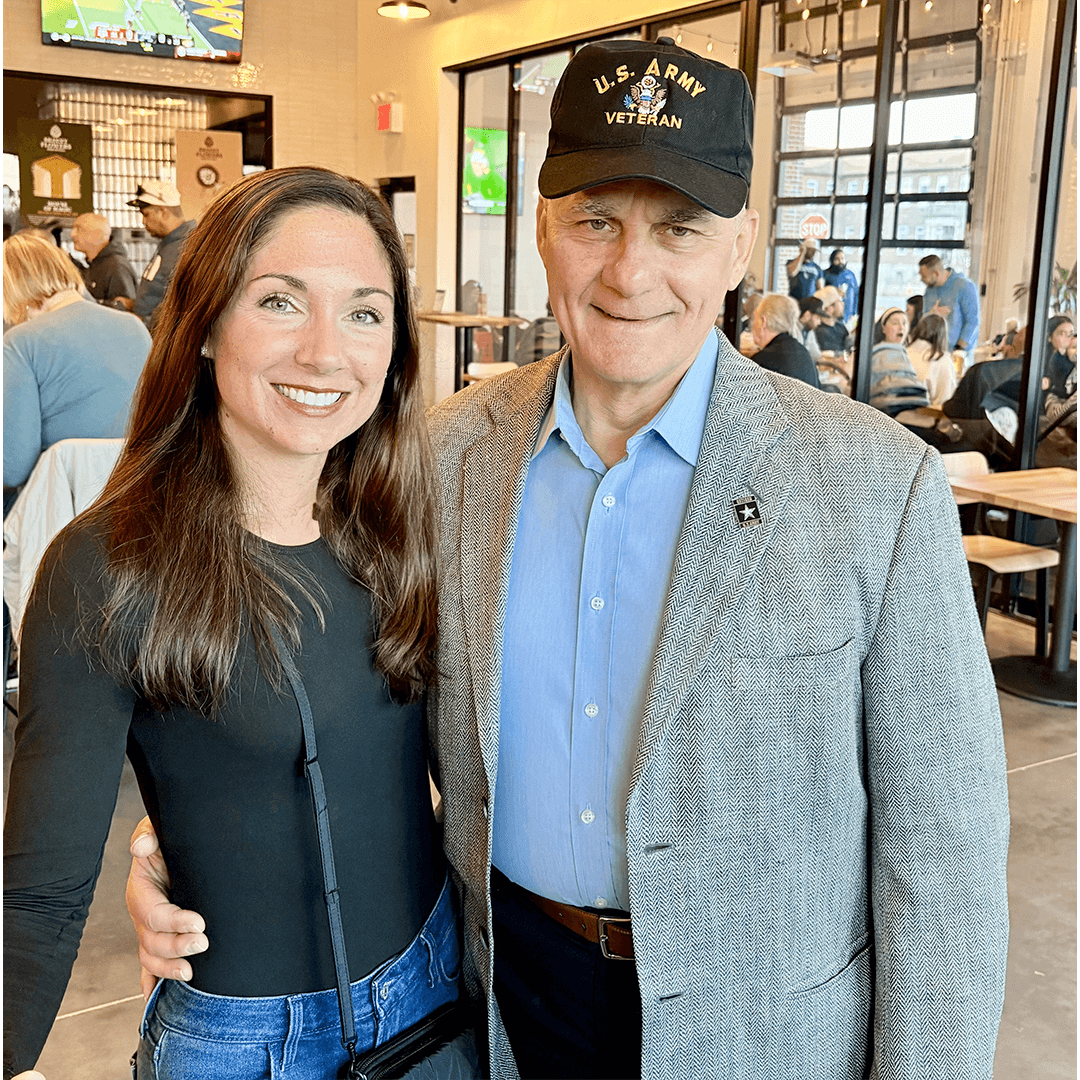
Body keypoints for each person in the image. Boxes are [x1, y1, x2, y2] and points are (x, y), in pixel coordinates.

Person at [128, 39, 1009, 1080]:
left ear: (740, 248)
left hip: (761, 1026)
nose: (631, 273)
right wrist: (186, 844)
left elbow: (943, 865)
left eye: (679, 229)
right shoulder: (440, 457)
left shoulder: (876, 489)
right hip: (503, 999)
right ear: (544, 232)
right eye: (596, 221)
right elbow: (332, 696)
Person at [2, 168, 467, 1080]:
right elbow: (40, 897)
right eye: (280, 302)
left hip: (437, 994)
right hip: (246, 1045)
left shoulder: (405, 523)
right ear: (207, 321)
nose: (326, 352)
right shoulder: (106, 568)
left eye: (366, 313)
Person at [3, 231, 151, 491]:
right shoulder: (135, 328)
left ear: (12, 287)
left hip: (60, 505)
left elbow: (13, 469)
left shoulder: (20, 343)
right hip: (133, 495)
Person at [121, 180, 195, 327]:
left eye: (146, 214)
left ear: (163, 212)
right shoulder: (169, 244)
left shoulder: (188, 246)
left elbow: (185, 305)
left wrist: (145, 320)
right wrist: (136, 305)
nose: (143, 221)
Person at [868, 307, 931, 418]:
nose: (901, 327)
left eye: (905, 323)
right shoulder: (879, 354)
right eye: (895, 323)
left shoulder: (904, 353)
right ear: (883, 328)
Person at [748, 294, 820, 388]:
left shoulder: (762, 362)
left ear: (763, 322)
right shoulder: (805, 354)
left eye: (754, 319)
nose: (752, 325)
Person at [918, 254, 980, 363]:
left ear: (936, 273)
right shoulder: (929, 291)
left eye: (924, 276)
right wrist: (933, 315)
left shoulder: (964, 286)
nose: (921, 280)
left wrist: (958, 350)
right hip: (933, 352)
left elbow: (972, 322)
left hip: (957, 353)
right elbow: (925, 321)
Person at [70, 212, 138, 305]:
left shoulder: (116, 267)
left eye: (78, 229)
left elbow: (124, 309)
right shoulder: (94, 265)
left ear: (97, 234)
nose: (72, 234)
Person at [906, 312, 957, 408]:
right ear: (942, 335)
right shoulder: (941, 359)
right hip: (925, 416)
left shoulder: (904, 352)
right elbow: (945, 399)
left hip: (895, 415)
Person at [812, 284, 852, 354]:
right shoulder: (820, 332)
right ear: (829, 308)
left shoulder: (840, 326)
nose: (842, 303)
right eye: (839, 301)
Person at [822, 248, 859, 323]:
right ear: (832, 260)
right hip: (832, 315)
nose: (840, 262)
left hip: (849, 315)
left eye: (842, 259)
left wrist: (855, 312)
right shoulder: (825, 274)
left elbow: (856, 294)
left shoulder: (850, 275)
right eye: (837, 259)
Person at [795, 295, 824, 363]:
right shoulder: (793, 332)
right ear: (807, 315)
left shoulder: (808, 331)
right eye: (817, 318)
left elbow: (816, 355)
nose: (819, 322)